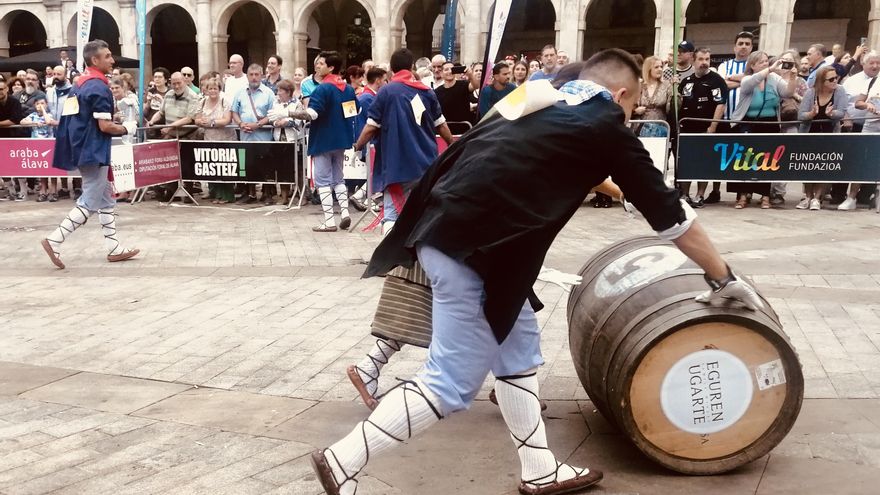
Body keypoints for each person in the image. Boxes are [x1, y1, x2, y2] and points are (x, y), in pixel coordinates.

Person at [309, 49, 763, 495]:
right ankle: (343, 461)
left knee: (518, 349)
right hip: (473, 252)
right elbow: (672, 217)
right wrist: (722, 276)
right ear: (621, 94)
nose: (629, 116)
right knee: (449, 384)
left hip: (456, 234)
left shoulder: (538, 99)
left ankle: (539, 467)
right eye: (632, 106)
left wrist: (621, 190)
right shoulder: (605, 125)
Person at [41, 39, 139, 269]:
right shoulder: (98, 87)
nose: (112, 60)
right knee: (90, 201)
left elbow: (76, 120)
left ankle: (114, 247)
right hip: (93, 150)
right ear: (95, 59)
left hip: (83, 147)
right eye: (108, 56)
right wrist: (127, 128)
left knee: (106, 198)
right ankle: (54, 240)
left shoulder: (80, 84)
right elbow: (105, 126)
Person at [353, 48, 453, 235]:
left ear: (392, 69)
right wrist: (452, 145)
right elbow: (441, 125)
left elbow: (371, 127)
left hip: (396, 164)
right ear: (412, 66)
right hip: (425, 163)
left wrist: (357, 146)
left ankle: (391, 251)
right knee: (421, 215)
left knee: (391, 216)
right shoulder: (427, 91)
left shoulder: (386, 91)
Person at [271, 51, 357, 231]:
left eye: (321, 63)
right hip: (342, 139)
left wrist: (286, 113)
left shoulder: (322, 89)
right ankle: (345, 213)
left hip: (323, 139)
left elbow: (312, 114)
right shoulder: (348, 88)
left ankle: (329, 221)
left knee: (323, 181)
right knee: (339, 178)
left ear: (331, 67)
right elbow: (354, 111)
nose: (317, 66)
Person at [729, 52, 796, 210]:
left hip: (769, 123)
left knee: (767, 160)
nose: (766, 64)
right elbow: (751, 82)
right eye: (761, 62)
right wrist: (771, 69)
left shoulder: (774, 79)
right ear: (752, 65)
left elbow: (787, 93)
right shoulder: (747, 79)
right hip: (748, 122)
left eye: (766, 61)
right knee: (746, 159)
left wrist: (792, 78)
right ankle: (743, 195)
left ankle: (765, 195)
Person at [676, 47, 727, 208]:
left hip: (706, 129)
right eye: (701, 59)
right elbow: (679, 103)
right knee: (687, 162)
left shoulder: (716, 80)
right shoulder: (686, 81)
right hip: (687, 129)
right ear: (693, 60)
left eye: (707, 59)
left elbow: (721, 104)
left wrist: (712, 127)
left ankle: (700, 195)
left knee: (703, 163)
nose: (704, 63)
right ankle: (685, 194)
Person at [798, 65, 848, 211]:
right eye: (831, 79)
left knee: (824, 165)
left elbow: (842, 112)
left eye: (836, 78)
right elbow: (801, 115)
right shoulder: (811, 92)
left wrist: (831, 114)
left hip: (829, 134)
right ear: (821, 81)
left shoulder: (840, 90)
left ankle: (817, 197)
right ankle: (808, 196)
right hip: (810, 134)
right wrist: (811, 114)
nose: (835, 81)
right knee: (807, 165)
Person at [839, 51, 880, 210]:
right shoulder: (873, 81)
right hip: (870, 126)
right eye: (873, 63)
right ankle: (851, 197)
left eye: (878, 63)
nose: (876, 66)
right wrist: (867, 105)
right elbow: (858, 103)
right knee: (861, 160)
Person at [231, 63, 276, 204]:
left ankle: (267, 193)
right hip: (246, 136)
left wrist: (258, 124)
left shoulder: (268, 93)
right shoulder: (240, 92)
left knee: (265, 166)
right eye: (251, 75)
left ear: (262, 76)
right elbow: (234, 111)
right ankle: (250, 193)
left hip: (263, 137)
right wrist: (240, 124)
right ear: (247, 76)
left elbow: (272, 114)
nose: (254, 77)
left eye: (257, 75)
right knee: (247, 165)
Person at [194, 76, 236, 204]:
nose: (212, 91)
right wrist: (200, 122)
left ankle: (227, 195)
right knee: (212, 167)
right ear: (206, 90)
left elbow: (226, 120)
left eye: (215, 88)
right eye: (210, 88)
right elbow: (196, 118)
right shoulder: (202, 102)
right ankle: (215, 194)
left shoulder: (224, 102)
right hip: (209, 138)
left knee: (225, 168)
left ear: (219, 89)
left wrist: (212, 122)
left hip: (226, 139)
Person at [270, 79, 305, 204]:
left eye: (281, 91)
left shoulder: (297, 104)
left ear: (288, 92)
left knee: (299, 169)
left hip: (294, 141)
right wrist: (276, 123)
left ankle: (302, 196)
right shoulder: (276, 103)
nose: (278, 93)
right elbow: (271, 118)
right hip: (279, 140)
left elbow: (298, 121)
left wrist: (285, 122)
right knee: (282, 168)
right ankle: (284, 197)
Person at [145, 72, 200, 139]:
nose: (176, 86)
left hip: (187, 137)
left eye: (179, 83)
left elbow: (189, 119)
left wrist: (170, 127)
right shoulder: (168, 94)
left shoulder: (193, 96)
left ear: (184, 82)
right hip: (170, 134)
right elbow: (161, 112)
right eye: (174, 84)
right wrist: (152, 121)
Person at [0, 79, 27, 201]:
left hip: (15, 136)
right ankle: (10, 191)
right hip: (1, 138)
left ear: (6, 89)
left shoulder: (14, 102)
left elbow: (15, 119)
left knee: (17, 164)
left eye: (1, 89)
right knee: (2, 165)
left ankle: (23, 191)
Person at [632, 55, 672, 137]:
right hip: (640, 128)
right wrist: (635, 111)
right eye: (656, 67)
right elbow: (628, 106)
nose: (660, 69)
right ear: (648, 69)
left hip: (660, 129)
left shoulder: (667, 85)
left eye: (661, 67)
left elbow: (672, 108)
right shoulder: (639, 85)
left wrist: (675, 89)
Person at [435, 62, 476, 132]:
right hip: (446, 129)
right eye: (446, 69)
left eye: (452, 69)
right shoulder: (437, 91)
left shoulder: (464, 85)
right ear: (441, 73)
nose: (449, 71)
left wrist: (470, 75)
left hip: (464, 128)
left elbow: (475, 86)